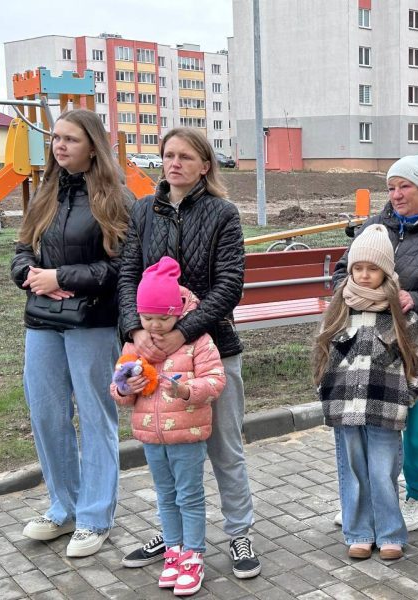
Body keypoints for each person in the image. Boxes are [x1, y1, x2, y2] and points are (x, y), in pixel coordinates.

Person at [117, 128, 261, 577]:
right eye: (168, 155)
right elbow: (127, 275)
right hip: (153, 352)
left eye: (185, 156)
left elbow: (229, 285)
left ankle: (239, 533)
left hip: (211, 349)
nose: (174, 163)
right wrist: (134, 329)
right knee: (164, 450)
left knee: (225, 448)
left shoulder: (223, 213)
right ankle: (173, 534)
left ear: (205, 165)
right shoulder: (144, 210)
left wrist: (184, 331)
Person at [10, 109, 129, 557]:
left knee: (96, 418)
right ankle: (64, 507)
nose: (60, 146)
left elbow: (122, 267)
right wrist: (31, 275)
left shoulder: (115, 199)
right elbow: (21, 250)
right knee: (47, 415)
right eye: (56, 138)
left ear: (92, 147)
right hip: (42, 320)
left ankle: (95, 516)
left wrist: (62, 277)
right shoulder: (45, 193)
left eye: (71, 139)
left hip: (92, 322)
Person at [332, 154, 418, 532]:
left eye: (405, 186)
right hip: (371, 347)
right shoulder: (377, 225)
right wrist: (351, 293)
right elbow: (343, 270)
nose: (396, 195)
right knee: (375, 426)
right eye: (391, 187)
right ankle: (368, 501)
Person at [313, 224, 418, 561]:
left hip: (386, 409)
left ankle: (390, 533)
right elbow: (322, 352)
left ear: (386, 272)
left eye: (373, 269)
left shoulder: (400, 315)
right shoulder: (339, 309)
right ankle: (359, 533)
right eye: (358, 268)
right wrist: (324, 389)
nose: (364, 275)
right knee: (352, 471)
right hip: (344, 409)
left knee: (383, 472)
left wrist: (408, 397)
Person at [111, 257, 225, 596]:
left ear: (178, 312)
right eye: (147, 318)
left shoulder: (197, 341)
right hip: (151, 436)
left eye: (163, 318)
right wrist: (125, 389)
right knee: (165, 495)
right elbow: (118, 388)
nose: (155, 326)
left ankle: (193, 555)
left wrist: (187, 390)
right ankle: (173, 550)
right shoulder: (135, 345)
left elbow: (216, 380)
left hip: (188, 434)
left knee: (189, 495)